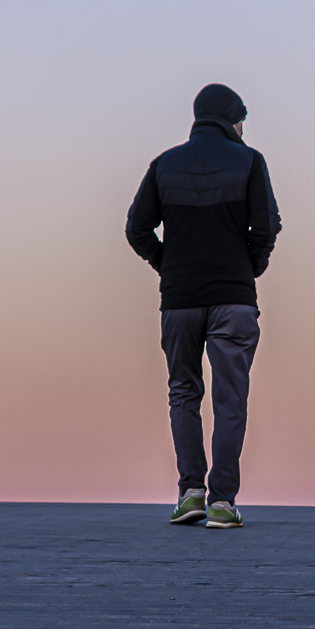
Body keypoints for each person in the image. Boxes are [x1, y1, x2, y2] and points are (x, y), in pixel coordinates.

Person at [125, 83, 281, 529]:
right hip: (232, 297)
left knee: (183, 394)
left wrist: (167, 267)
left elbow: (136, 228)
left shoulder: (164, 164)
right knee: (230, 399)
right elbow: (266, 226)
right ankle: (223, 502)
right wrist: (249, 267)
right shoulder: (250, 161)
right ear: (232, 119)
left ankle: (190, 492)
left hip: (180, 301)